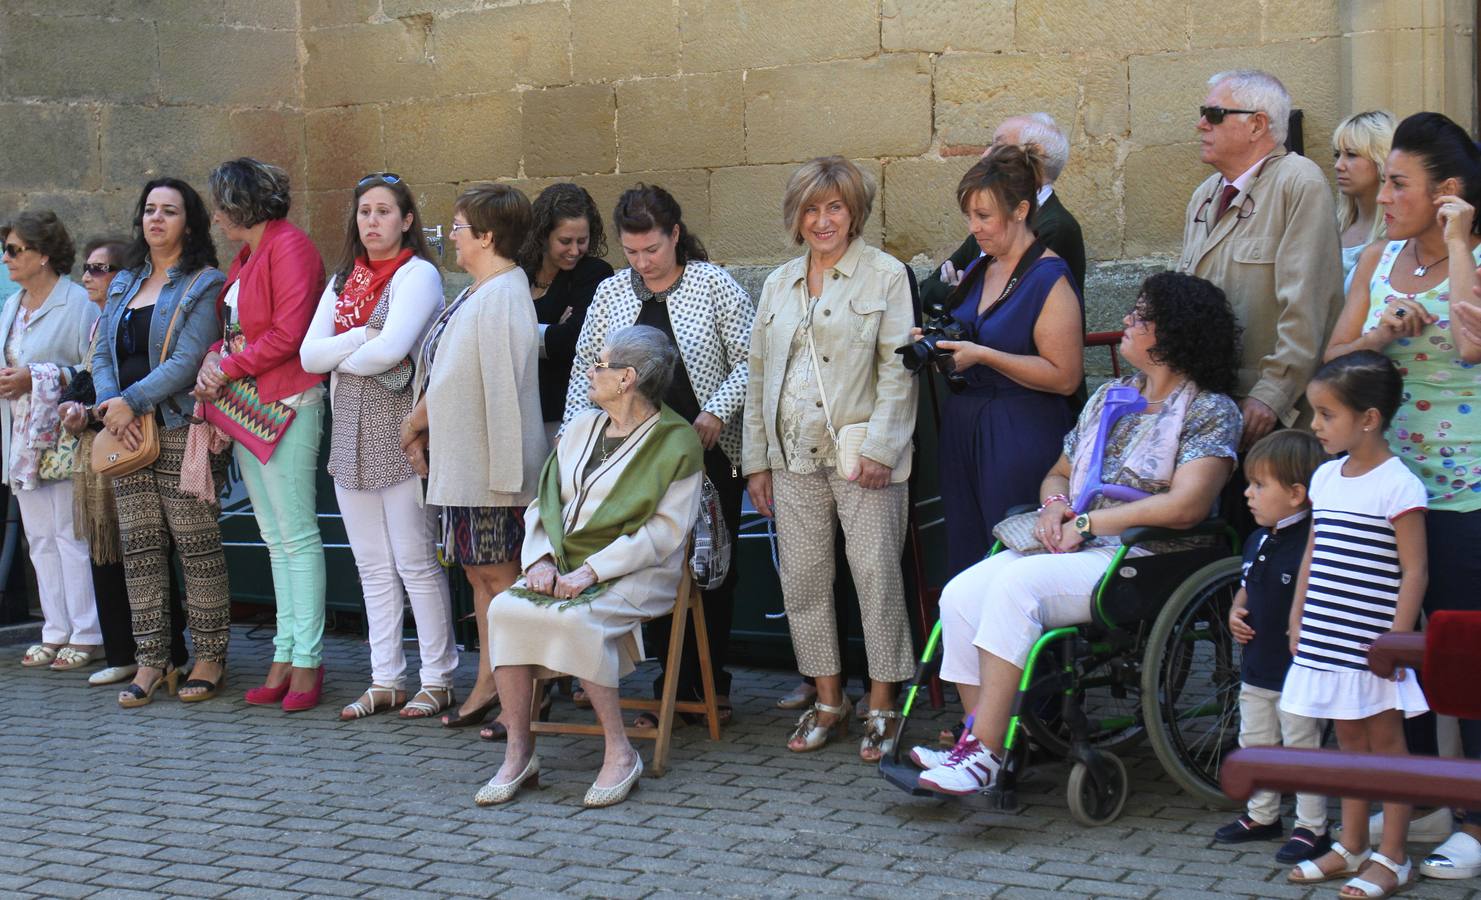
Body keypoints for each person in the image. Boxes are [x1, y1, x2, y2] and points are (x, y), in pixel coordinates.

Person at [912, 271, 1243, 794]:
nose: (1127, 322)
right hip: (1078, 541)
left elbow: (1187, 505)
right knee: (961, 593)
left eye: (1141, 316)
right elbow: (1059, 471)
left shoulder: (1210, 410)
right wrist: (1054, 506)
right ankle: (976, 744)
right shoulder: (1110, 396)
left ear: (1173, 333)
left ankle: (986, 754)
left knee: (1014, 589)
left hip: (1145, 555)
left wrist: (1086, 523)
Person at [1325, 111, 1481, 884]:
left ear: (1445, 192)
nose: (1382, 196)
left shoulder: (1476, 254)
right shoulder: (1378, 256)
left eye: (1397, 183)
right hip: (1389, 487)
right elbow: (1332, 358)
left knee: (1464, 656)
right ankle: (1422, 799)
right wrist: (1380, 334)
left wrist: (1457, 246)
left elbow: (1469, 345)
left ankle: (1478, 818)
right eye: (1382, 181)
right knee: (1395, 651)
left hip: (1466, 491)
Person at [474, 325, 704, 808]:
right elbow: (546, 502)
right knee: (505, 611)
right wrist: (537, 557)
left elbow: (664, 533)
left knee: (579, 618)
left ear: (627, 378)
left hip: (640, 570)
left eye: (600, 365)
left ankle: (620, 754)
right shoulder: (581, 426)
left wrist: (592, 571)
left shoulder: (678, 441)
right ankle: (520, 753)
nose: (590, 372)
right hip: (560, 562)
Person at [743, 156, 917, 761]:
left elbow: (900, 371)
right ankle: (827, 698)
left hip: (860, 458)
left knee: (875, 577)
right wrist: (756, 461)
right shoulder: (778, 282)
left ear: (855, 212)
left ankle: (884, 703)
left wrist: (881, 449)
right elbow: (760, 373)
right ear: (797, 217)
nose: (823, 221)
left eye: (835, 207)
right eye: (812, 209)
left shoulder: (886, 276)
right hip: (791, 457)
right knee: (804, 582)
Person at [564, 184, 752, 726]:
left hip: (704, 452)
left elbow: (749, 360)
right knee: (646, 562)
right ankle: (657, 681)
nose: (642, 263)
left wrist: (715, 410)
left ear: (675, 235)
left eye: (652, 249)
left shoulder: (712, 285)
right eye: (631, 252)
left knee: (709, 571)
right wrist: (576, 434)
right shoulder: (612, 294)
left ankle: (707, 688)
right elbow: (585, 369)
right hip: (631, 454)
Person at [300, 173, 458, 721]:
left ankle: (438, 677)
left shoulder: (418, 276)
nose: (372, 222)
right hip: (349, 431)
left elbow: (392, 351)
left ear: (407, 219)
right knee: (371, 563)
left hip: (400, 428)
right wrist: (358, 340)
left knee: (415, 560)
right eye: (364, 211)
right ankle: (386, 677)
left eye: (384, 211)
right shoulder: (345, 278)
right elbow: (307, 356)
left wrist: (348, 349)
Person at [1282, 351, 1428, 900]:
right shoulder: (1325, 477)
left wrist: (1395, 641)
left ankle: (1394, 856)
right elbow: (1315, 554)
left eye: (1325, 415)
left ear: (1368, 418)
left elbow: (1415, 568)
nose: (1315, 426)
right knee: (1346, 739)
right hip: (1326, 635)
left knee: (1385, 744)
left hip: (1373, 644)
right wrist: (1299, 617)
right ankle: (1351, 843)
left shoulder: (1398, 485)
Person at [400, 184, 545, 732]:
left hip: (492, 470)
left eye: (458, 227)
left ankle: (522, 696)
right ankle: (490, 680)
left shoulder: (505, 292)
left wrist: (415, 422)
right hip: (467, 466)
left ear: (487, 236)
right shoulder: (482, 289)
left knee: (502, 581)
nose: (451, 237)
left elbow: (479, 387)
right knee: (480, 577)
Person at [88, 179, 232, 706]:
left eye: (168, 211)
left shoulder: (203, 282)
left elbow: (187, 361)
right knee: (141, 551)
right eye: (149, 210)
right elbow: (102, 352)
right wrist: (110, 406)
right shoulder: (124, 281)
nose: (156, 219)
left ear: (188, 222)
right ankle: (153, 661)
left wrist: (132, 403)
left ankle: (211, 655)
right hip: (125, 432)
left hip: (177, 428)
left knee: (196, 546)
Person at [196, 158, 329, 712]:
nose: (216, 215)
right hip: (254, 405)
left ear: (239, 202)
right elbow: (238, 331)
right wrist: (213, 361)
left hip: (287, 400)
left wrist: (224, 370)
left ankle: (308, 662)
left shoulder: (289, 246)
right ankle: (284, 652)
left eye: (220, 204)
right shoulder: (250, 253)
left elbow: (290, 332)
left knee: (295, 536)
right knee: (276, 539)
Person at [918, 144, 1084, 576]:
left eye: (983, 216)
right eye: (969, 216)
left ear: (1021, 210)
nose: (973, 228)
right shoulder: (981, 267)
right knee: (968, 560)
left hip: (1018, 432)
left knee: (1014, 563)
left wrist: (985, 356)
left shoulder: (1049, 277)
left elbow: (1065, 377)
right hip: (964, 429)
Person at [1175, 70, 1343, 459]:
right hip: (1210, 408)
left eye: (1213, 113)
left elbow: (1308, 304)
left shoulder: (1298, 182)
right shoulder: (1205, 194)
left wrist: (1273, 394)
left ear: (1257, 124)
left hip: (1274, 417)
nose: (1201, 124)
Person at [62, 237, 190, 688]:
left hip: (147, 429)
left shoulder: (144, 310)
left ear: (123, 273)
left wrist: (123, 406)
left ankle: (167, 653)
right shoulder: (104, 321)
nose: (90, 277)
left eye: (101, 268)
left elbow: (175, 362)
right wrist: (95, 406)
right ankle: (132, 652)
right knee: (121, 550)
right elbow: (94, 370)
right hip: (110, 435)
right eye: (88, 267)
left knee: (162, 546)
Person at [1213, 430, 1330, 864]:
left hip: (1298, 670)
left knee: (1303, 750)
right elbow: (1248, 586)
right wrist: (1235, 612)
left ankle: (1311, 826)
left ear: (1298, 493)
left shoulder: (1311, 545)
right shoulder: (1259, 538)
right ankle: (1262, 814)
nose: (1248, 494)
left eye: (1260, 485)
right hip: (1257, 667)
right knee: (1256, 741)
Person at [1, 211, 101, 671]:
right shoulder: (11, 306)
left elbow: (92, 367)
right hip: (20, 438)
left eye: (15, 250)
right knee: (39, 538)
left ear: (43, 255)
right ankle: (54, 629)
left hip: (61, 437)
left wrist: (39, 378)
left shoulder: (77, 302)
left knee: (69, 534)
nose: (6, 258)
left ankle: (86, 632)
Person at [920, 112, 1087, 307]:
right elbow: (927, 289)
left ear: (1034, 154)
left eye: (998, 146)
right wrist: (962, 294)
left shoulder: (1055, 227)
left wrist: (959, 292)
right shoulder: (993, 222)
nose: (985, 155)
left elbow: (1007, 310)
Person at [518, 183, 614, 444]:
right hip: (516, 410)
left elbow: (572, 340)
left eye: (582, 241)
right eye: (565, 241)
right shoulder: (519, 271)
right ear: (543, 236)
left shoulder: (593, 274)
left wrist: (516, 332)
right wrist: (549, 330)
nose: (575, 251)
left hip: (561, 414)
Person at [1332, 111, 1396, 294]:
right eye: (1337, 154)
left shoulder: (1400, 234)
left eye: (1351, 155)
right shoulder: (1334, 226)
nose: (1339, 165)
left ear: (1381, 160)